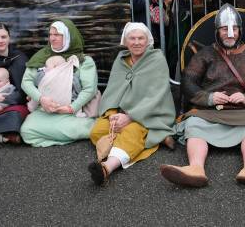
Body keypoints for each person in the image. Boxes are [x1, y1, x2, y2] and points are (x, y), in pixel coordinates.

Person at [160, 4, 245, 187]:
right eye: (225, 29)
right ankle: (195, 169)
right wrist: (209, 98)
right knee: (194, 124)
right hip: (209, 111)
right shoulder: (205, 54)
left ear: (240, 31)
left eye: (234, 29)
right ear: (218, 31)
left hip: (243, 111)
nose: (230, 33)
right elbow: (188, 81)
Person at [88, 22, 176, 186]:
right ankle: (155, 137)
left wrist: (130, 117)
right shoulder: (121, 60)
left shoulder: (157, 59)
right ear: (125, 41)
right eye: (132, 38)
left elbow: (156, 96)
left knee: (131, 132)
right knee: (96, 131)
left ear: (147, 40)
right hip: (121, 112)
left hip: (149, 114)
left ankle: (107, 167)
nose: (136, 42)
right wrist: (113, 114)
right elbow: (113, 89)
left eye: (140, 38)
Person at [20, 19, 99, 147]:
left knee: (89, 129)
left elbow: (90, 89)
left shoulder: (84, 61)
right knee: (26, 131)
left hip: (74, 112)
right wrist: (41, 99)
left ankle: (56, 135)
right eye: (50, 35)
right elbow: (26, 82)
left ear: (68, 36)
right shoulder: (41, 57)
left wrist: (71, 108)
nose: (52, 38)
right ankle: (65, 137)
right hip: (46, 110)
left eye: (57, 35)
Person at [25, 55, 95, 118]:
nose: (46, 69)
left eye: (47, 67)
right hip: (62, 100)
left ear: (55, 67)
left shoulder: (43, 74)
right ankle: (78, 113)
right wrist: (78, 92)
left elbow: (36, 82)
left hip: (47, 97)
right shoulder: (71, 76)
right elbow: (77, 85)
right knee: (74, 98)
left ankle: (31, 107)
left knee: (37, 94)